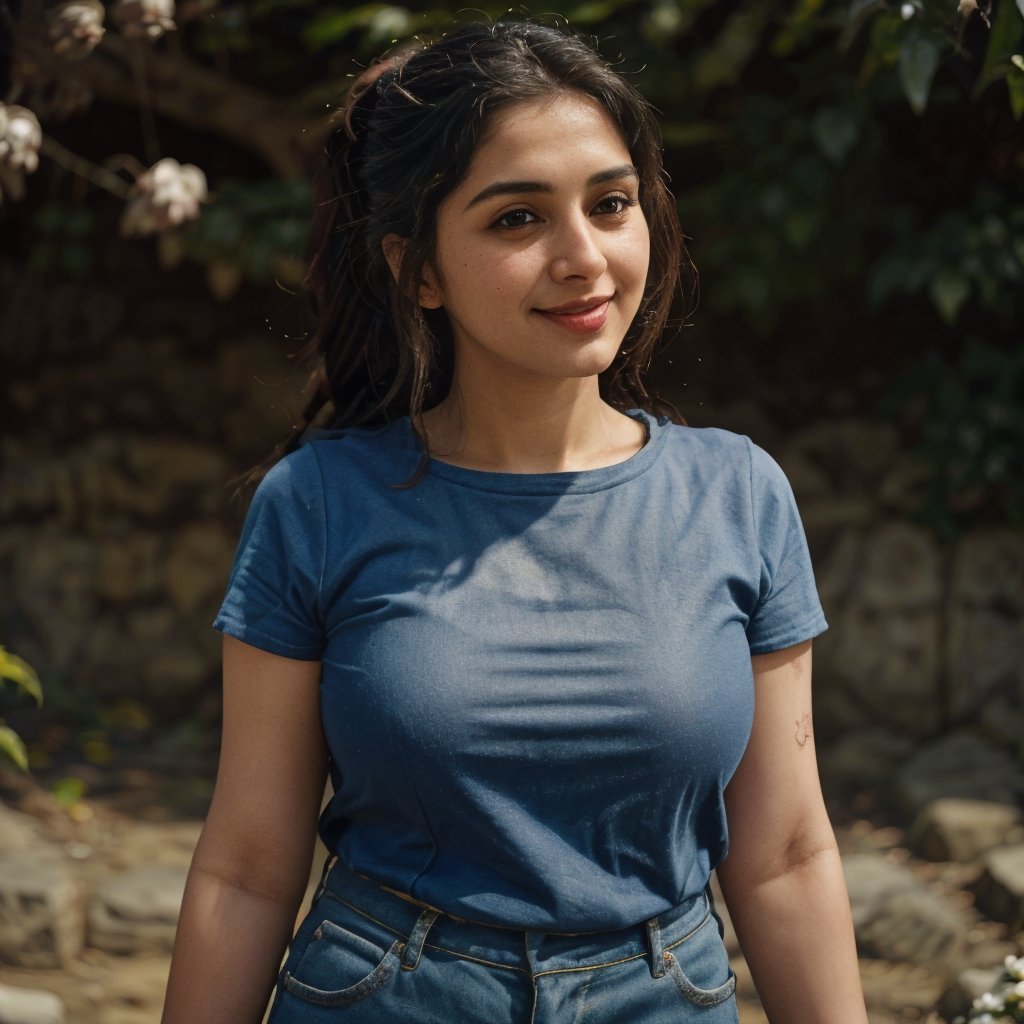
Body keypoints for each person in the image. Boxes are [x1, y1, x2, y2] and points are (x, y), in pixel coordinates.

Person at [161, 19, 868, 1024]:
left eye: (610, 204)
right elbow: (245, 867)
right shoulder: (318, 505)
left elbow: (788, 853)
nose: (583, 256)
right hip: (386, 992)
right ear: (418, 270)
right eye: (516, 219)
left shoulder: (738, 494)